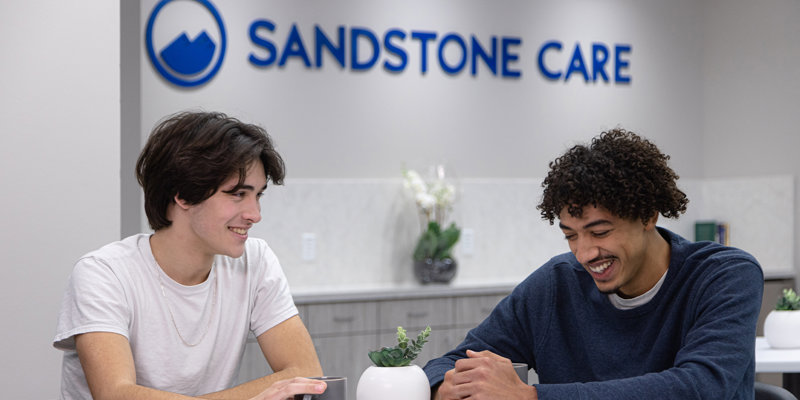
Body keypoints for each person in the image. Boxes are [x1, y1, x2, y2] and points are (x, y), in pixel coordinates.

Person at [423, 129, 764, 399]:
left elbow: (699, 388)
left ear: (647, 215)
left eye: (599, 231)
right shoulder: (556, 285)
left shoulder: (723, 276)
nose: (585, 253)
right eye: (571, 235)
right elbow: (448, 364)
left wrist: (530, 396)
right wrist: (446, 388)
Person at [53, 111, 325, 400]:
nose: (255, 215)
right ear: (182, 194)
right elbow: (116, 395)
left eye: (258, 195)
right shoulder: (103, 273)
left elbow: (307, 373)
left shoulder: (255, 261)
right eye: (237, 194)